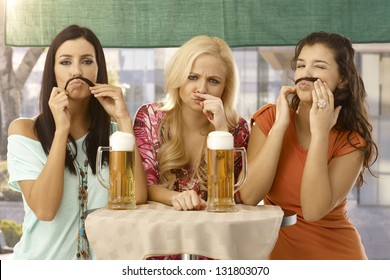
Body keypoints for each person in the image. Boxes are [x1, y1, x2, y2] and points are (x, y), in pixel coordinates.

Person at [6, 25, 147, 260]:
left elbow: (138, 196)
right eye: (65, 62)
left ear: (97, 70)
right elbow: (45, 209)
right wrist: (61, 130)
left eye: (86, 61)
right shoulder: (24, 131)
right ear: (52, 71)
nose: (76, 71)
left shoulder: (115, 136)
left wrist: (123, 120)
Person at [239, 31, 378, 260]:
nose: (306, 73)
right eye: (301, 65)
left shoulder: (352, 143)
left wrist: (320, 133)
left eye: (319, 66)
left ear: (342, 79)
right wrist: (281, 126)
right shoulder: (270, 118)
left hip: (337, 257)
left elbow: (313, 211)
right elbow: (250, 195)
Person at [133, 35, 249, 259]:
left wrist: (221, 131)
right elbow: (143, 185)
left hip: (214, 247)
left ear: (226, 87)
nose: (200, 88)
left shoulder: (238, 129)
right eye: (192, 77)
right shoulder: (149, 117)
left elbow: (230, 197)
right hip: (158, 245)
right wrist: (174, 197)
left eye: (213, 81)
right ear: (179, 77)